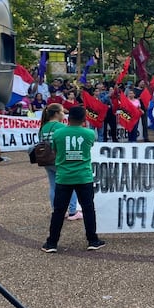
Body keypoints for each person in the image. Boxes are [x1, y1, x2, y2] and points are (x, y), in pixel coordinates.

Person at [41, 106, 106, 253]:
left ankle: (52, 243)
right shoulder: (89, 133)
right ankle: (92, 240)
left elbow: (56, 151)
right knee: (88, 208)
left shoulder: (58, 133)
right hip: (84, 176)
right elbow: (90, 146)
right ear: (84, 119)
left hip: (64, 176)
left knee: (58, 211)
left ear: (68, 118)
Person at [40, 104, 81, 220]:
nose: (64, 114)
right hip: (59, 159)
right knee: (71, 184)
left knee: (53, 185)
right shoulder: (60, 127)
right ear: (57, 113)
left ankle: (57, 210)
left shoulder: (44, 126)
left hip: (46, 159)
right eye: (62, 112)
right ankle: (73, 210)